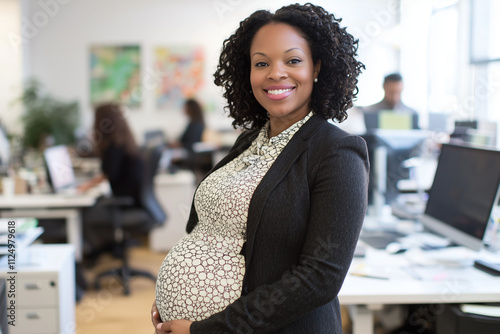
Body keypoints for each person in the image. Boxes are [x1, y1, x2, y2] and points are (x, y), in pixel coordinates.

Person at [152, 3, 369, 333]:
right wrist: (172, 293)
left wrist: (204, 330)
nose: (275, 73)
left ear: (317, 67)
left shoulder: (337, 153)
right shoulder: (249, 141)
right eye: (261, 63)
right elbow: (208, 229)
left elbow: (319, 279)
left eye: (293, 60)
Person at [79, 102, 143, 257]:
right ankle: (105, 247)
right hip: (132, 199)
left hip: (123, 203)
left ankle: (97, 250)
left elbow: (109, 173)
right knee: (92, 205)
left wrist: (86, 185)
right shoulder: (124, 140)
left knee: (84, 214)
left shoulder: (114, 145)